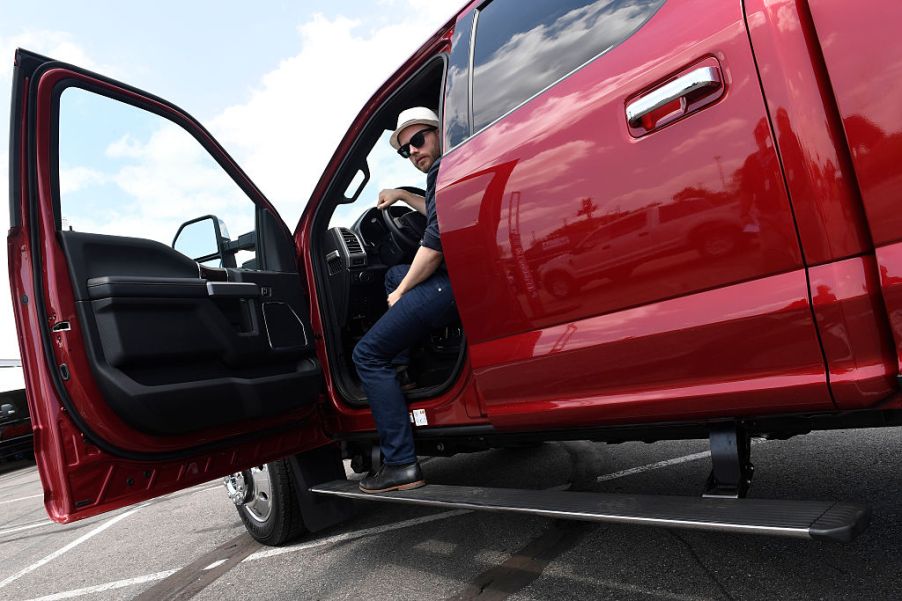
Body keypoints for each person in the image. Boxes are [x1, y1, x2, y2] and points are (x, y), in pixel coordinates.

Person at [352, 106, 456, 493]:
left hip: (450, 284)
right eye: (405, 148)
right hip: (453, 282)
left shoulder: (442, 169)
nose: (413, 150)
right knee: (395, 272)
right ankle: (401, 371)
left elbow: (433, 247)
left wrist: (399, 294)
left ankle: (400, 464)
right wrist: (400, 194)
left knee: (366, 355)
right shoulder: (443, 173)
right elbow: (436, 211)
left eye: (419, 139)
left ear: (439, 131)